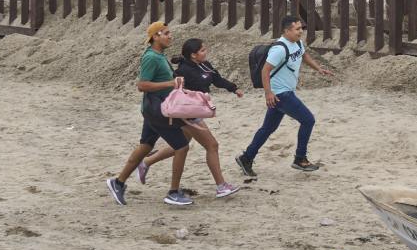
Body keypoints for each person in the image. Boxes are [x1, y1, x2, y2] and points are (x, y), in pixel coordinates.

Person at [133, 38, 242, 199]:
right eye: (202, 50)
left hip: (195, 111)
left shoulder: (205, 65)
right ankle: (221, 186)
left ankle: (146, 163)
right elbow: (172, 88)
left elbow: (217, 80)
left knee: (181, 144)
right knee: (212, 145)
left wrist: (234, 89)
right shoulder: (183, 70)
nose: (206, 52)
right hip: (187, 114)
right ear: (193, 55)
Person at [106, 22, 193, 207]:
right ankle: (173, 192)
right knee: (182, 147)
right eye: (166, 33)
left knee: (145, 146)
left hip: (153, 109)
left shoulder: (159, 55)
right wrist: (170, 84)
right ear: (155, 36)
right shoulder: (151, 58)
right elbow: (142, 85)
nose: (170, 36)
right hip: (157, 111)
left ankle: (118, 182)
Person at [236, 15, 335, 176]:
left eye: (301, 28)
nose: (301, 31)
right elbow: (265, 71)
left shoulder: (297, 43)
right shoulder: (279, 49)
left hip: (284, 92)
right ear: (287, 30)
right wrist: (268, 93)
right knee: (308, 120)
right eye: (297, 29)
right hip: (281, 94)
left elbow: (304, 55)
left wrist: (319, 68)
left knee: (268, 128)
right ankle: (300, 159)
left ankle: (246, 157)